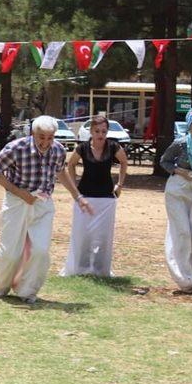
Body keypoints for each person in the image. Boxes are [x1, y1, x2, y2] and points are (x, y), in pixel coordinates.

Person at [0, 115, 92, 304]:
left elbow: (60, 172)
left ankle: (27, 290)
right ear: (33, 134)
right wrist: (19, 193)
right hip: (16, 202)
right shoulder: (16, 148)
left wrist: (78, 197)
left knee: (40, 251)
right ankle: (1, 286)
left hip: (43, 203)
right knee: (11, 252)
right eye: (41, 137)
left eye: (50, 137)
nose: (45, 142)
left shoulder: (59, 150)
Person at [61, 115, 128, 277]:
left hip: (106, 197)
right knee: (82, 233)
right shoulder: (82, 148)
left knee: (104, 235)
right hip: (85, 196)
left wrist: (119, 184)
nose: (100, 135)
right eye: (97, 131)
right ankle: (80, 267)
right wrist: (75, 187)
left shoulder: (113, 146)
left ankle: (100, 268)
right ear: (91, 131)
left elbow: (124, 162)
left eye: (104, 131)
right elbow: (70, 164)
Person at [160, 108, 192, 292]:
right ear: (190, 127)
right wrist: (180, 171)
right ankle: (184, 278)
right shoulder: (181, 143)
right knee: (181, 231)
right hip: (178, 189)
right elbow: (164, 161)